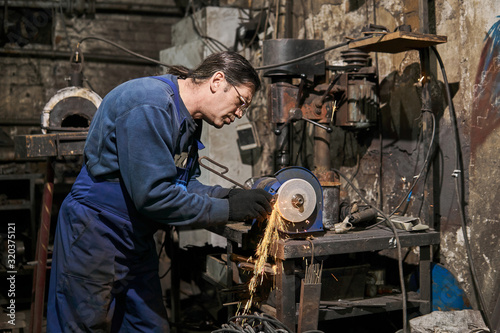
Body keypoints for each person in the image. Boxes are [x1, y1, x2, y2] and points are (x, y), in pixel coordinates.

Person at [47, 51, 273, 332]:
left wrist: (227, 196)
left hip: (135, 237)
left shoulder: (189, 120)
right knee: (85, 324)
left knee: (149, 327)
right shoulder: (150, 105)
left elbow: (183, 183)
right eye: (241, 102)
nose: (239, 114)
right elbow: (155, 196)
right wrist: (228, 211)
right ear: (217, 80)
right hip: (97, 231)